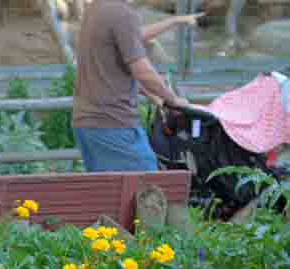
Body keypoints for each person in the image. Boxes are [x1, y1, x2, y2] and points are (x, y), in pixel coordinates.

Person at [72, 5, 202, 172]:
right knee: (148, 187)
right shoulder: (122, 14)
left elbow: (134, 36)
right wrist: (174, 101)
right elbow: (142, 71)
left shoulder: (96, 10)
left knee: (108, 193)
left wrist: (174, 21)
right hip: (113, 123)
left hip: (88, 124)